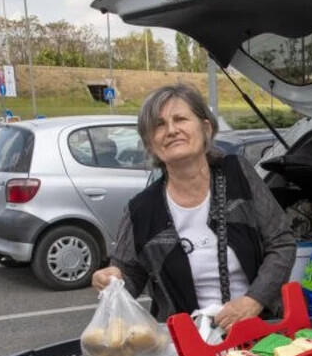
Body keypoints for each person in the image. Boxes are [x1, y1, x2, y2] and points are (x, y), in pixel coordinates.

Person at [93, 83, 295, 331]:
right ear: (149, 143)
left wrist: (254, 301)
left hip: (257, 331)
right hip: (184, 345)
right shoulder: (140, 210)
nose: (171, 130)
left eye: (180, 119)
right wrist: (112, 279)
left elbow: (281, 243)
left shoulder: (238, 174)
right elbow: (130, 275)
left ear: (206, 128)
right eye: (159, 125)